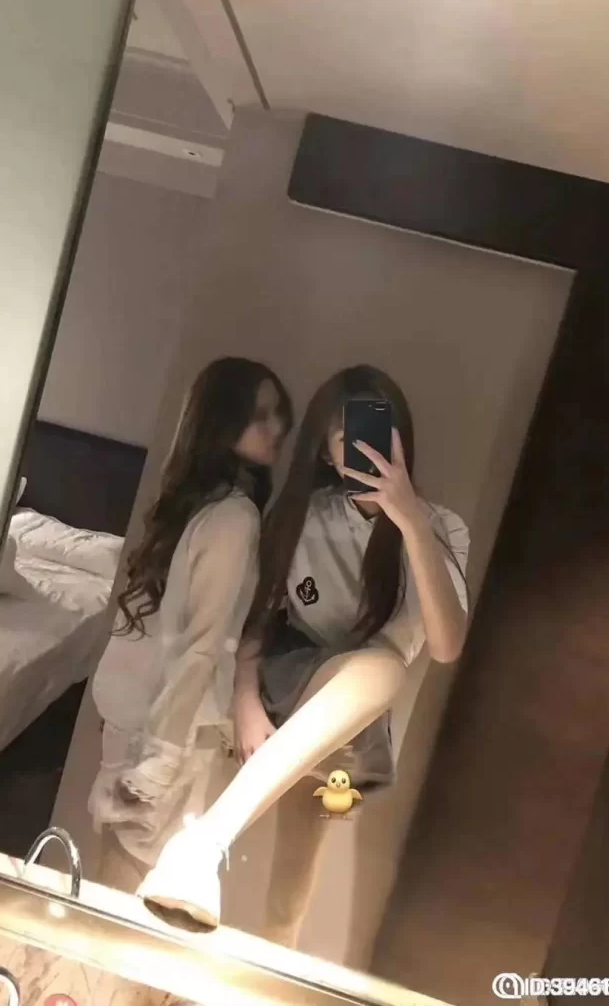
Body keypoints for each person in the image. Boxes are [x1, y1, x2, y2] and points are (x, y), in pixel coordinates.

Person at [135, 365, 470, 941]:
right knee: (382, 668)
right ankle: (204, 843)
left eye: (378, 431)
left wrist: (410, 520)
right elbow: (258, 619)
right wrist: (245, 701)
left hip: (351, 728)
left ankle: (204, 850)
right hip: (286, 690)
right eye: (346, 438)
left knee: (291, 892)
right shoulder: (306, 516)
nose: (364, 448)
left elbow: (445, 646)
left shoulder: (439, 528)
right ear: (325, 452)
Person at [89, 357, 293, 890]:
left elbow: (192, 644)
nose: (277, 428)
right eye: (261, 415)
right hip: (168, 737)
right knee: (126, 894)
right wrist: (160, 762)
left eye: (279, 415)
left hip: (152, 730)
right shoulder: (231, 516)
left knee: (118, 885)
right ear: (223, 422)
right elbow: (201, 647)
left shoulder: (209, 509)